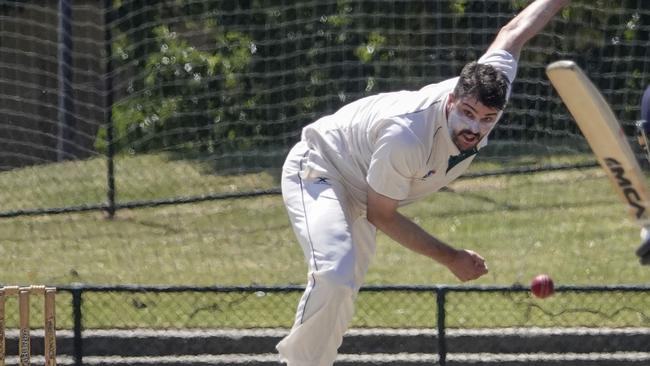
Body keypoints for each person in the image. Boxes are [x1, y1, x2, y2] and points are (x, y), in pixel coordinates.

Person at [277, 0, 570, 364]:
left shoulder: (493, 82)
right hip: (321, 168)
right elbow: (382, 215)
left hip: (366, 186)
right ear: (451, 100)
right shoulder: (408, 136)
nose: (475, 128)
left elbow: (513, 32)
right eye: (467, 113)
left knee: (341, 297)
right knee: (334, 273)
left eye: (487, 119)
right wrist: (452, 257)